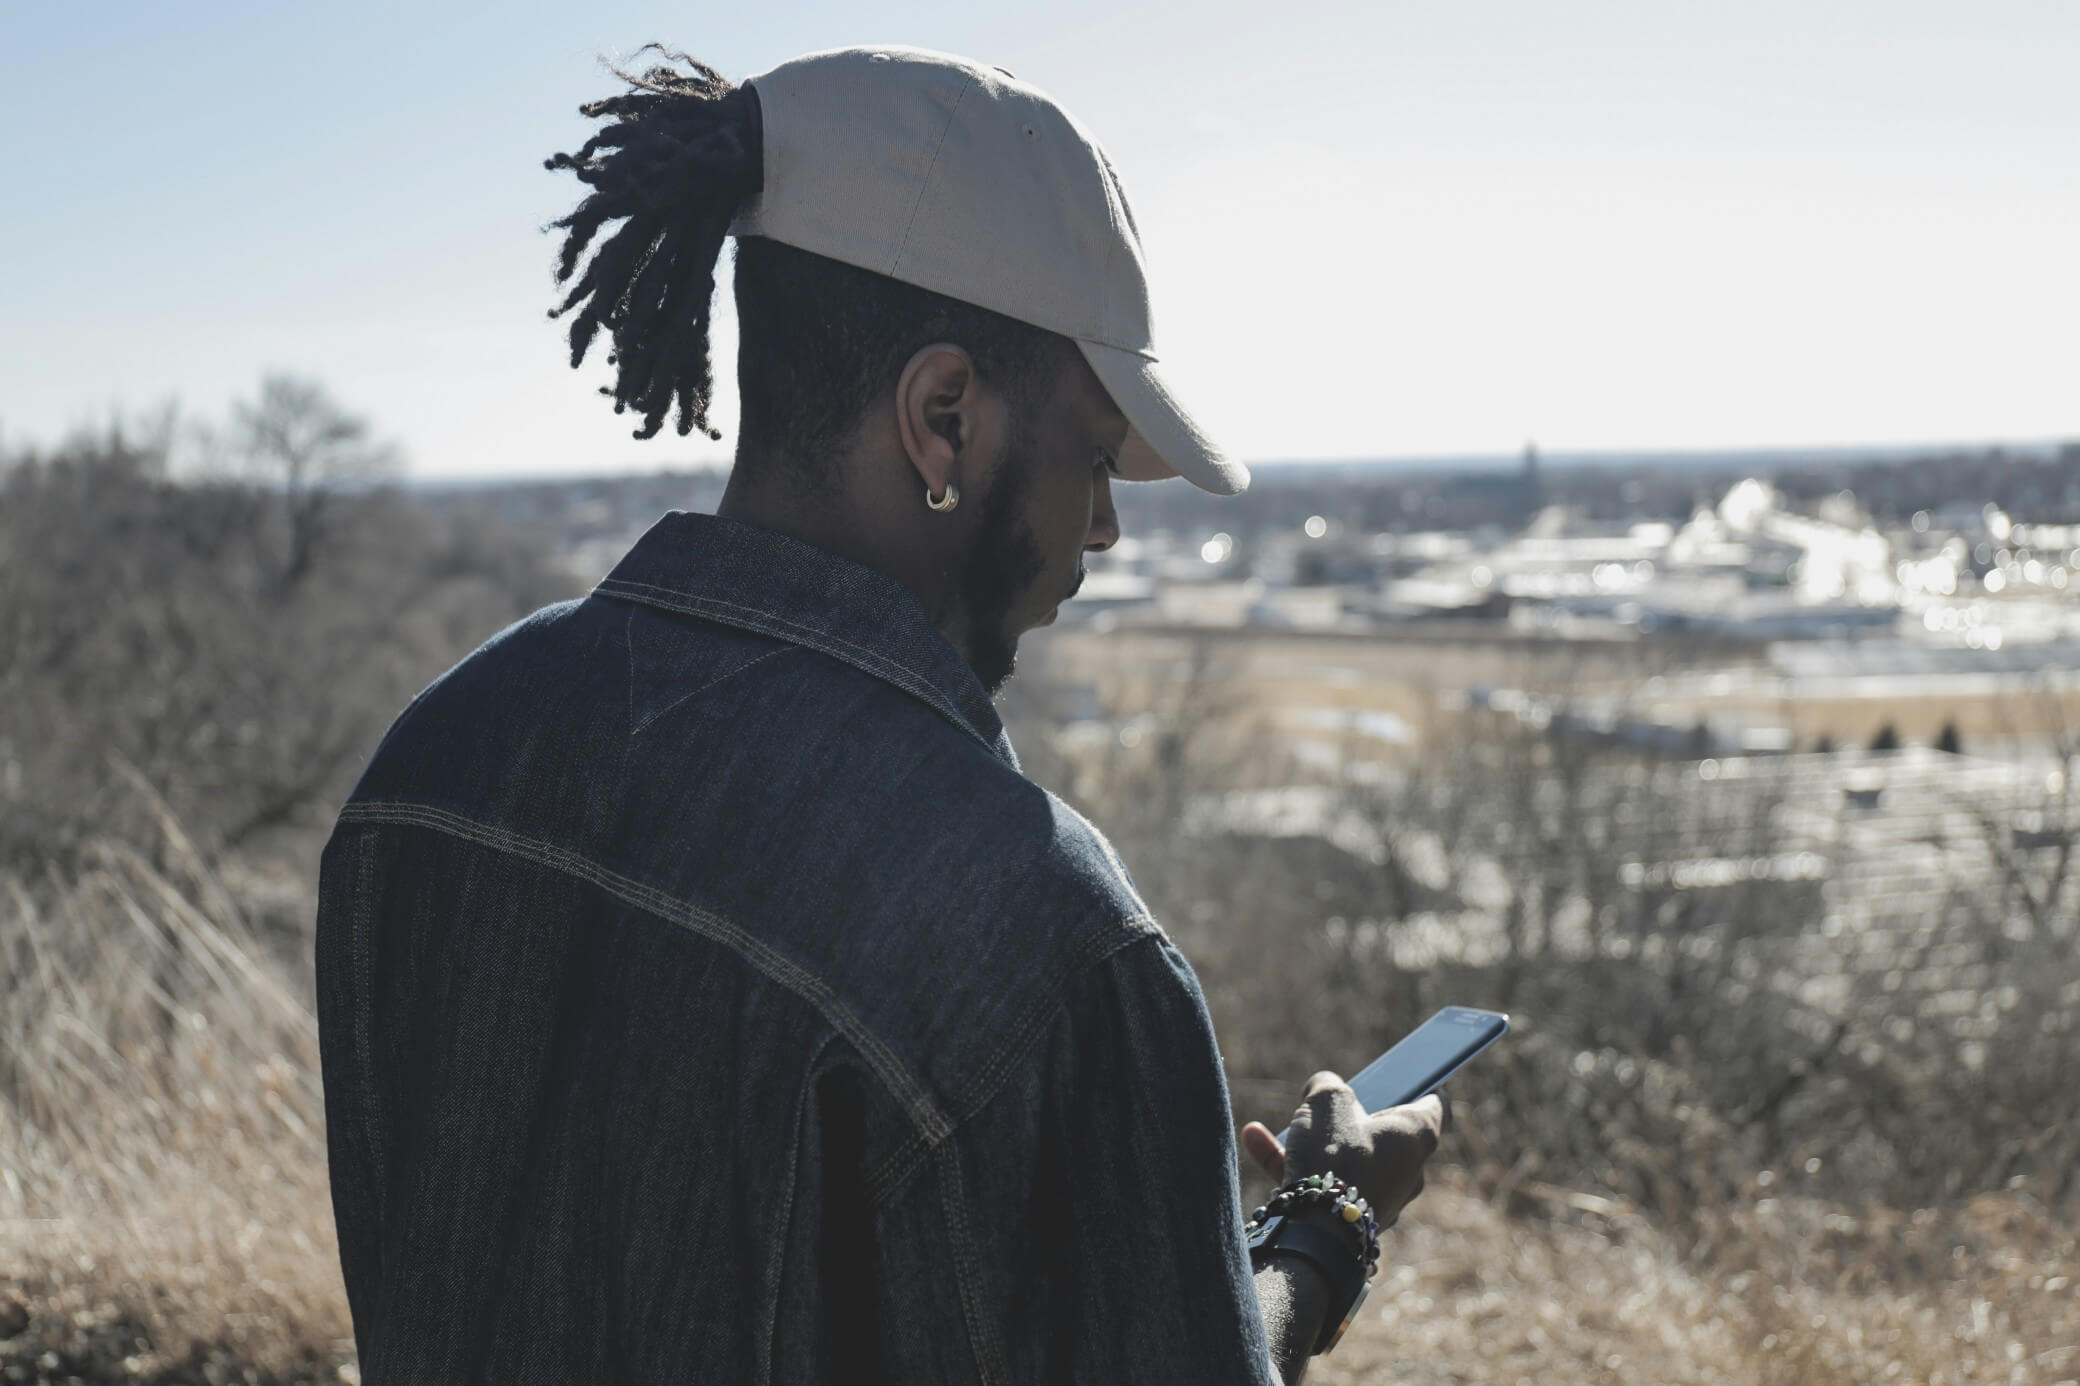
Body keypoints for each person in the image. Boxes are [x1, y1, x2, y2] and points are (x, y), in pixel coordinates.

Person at [315, 44, 1446, 1385]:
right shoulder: (1051, 947)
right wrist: (1325, 1226)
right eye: (1092, 454)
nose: (1106, 522)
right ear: (945, 418)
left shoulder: (430, 772)